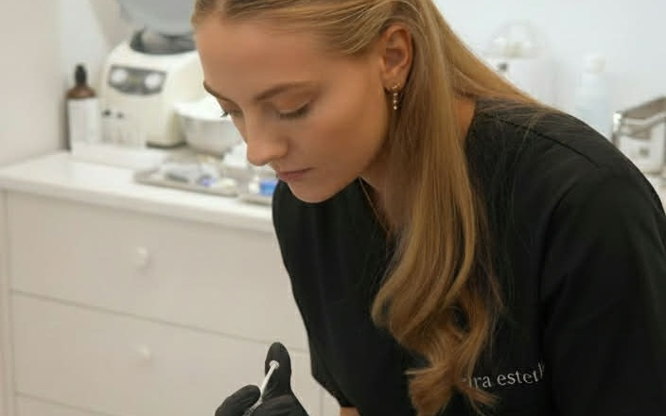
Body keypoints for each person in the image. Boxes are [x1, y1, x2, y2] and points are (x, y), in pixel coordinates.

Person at [192, 1, 666, 415]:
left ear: (393, 57)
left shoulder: (582, 205)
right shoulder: (309, 205)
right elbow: (359, 404)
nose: (258, 150)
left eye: (292, 107)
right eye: (230, 109)